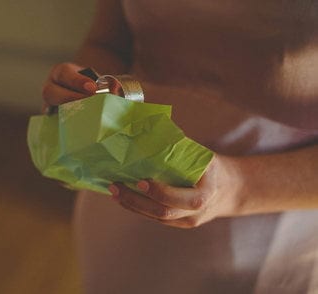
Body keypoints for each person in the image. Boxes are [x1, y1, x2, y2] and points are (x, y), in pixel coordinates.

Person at [41, 0, 318, 293]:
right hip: (122, 205)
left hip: (272, 236)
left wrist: (238, 187)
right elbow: (109, 43)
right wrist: (84, 91)